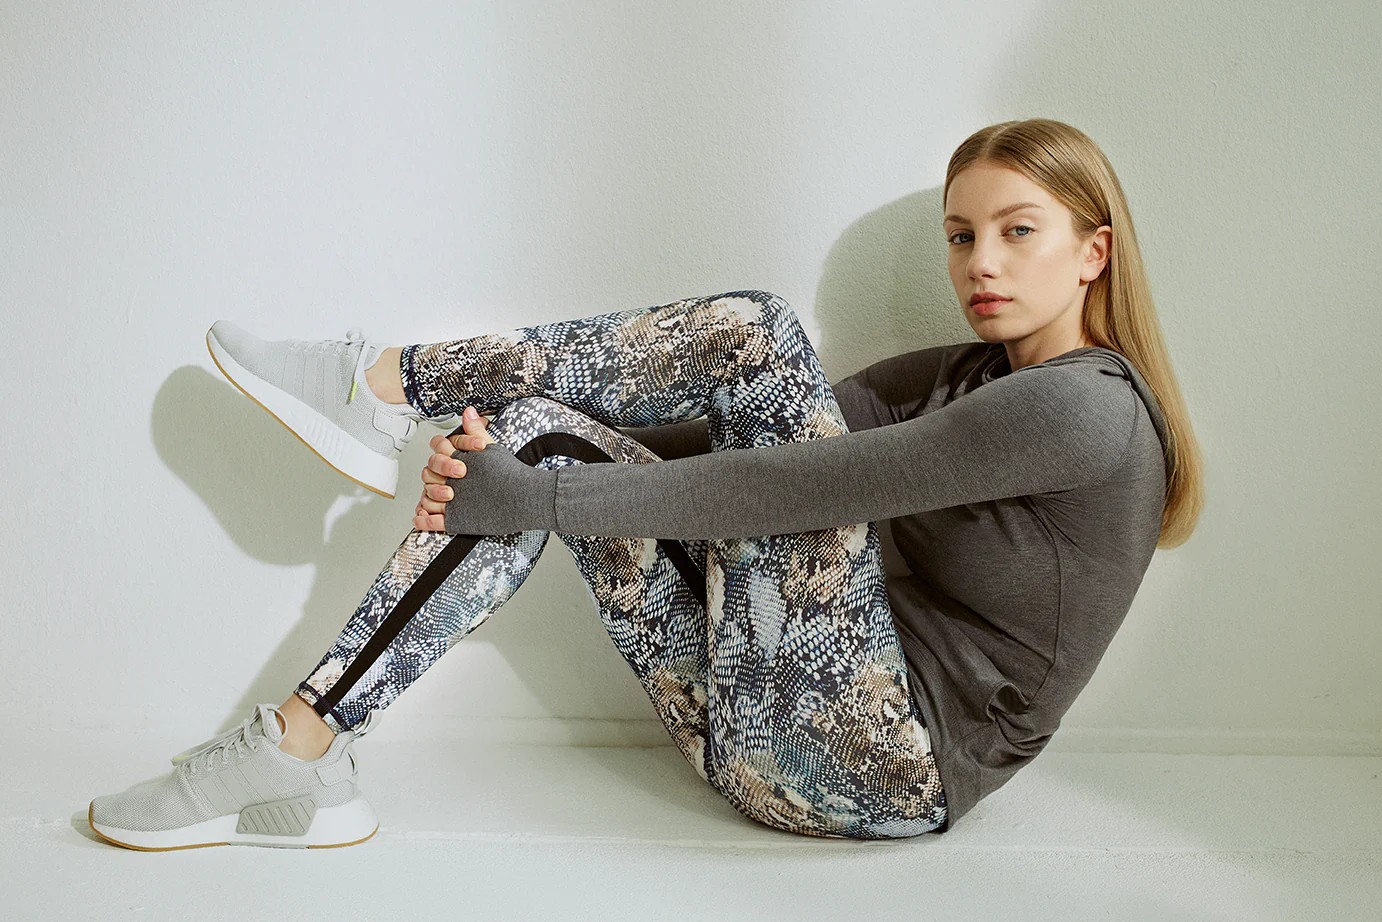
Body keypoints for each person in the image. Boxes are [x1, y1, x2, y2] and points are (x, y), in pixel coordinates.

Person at [88, 117, 1203, 850]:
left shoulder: (1085, 410)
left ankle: (381, 383)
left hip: (883, 771)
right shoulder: (960, 375)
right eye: (961, 236)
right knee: (541, 437)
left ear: (1092, 252)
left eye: (1017, 232)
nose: (980, 263)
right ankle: (301, 749)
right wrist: (509, 458)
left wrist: (538, 504)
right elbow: (722, 445)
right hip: (748, 728)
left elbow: (805, 489)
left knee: (754, 332)